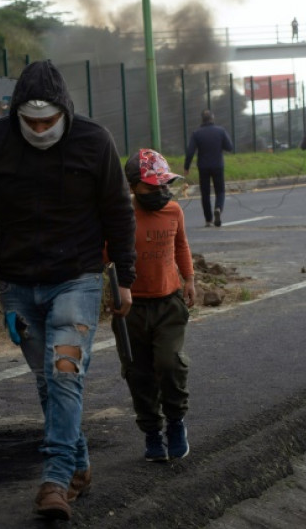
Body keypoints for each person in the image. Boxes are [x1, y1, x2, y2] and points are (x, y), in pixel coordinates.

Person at [0, 60, 136, 521]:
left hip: (77, 276)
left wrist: (127, 279)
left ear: (65, 113)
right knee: (48, 380)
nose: (40, 129)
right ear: (17, 113)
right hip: (17, 284)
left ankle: (55, 481)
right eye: (31, 122)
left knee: (63, 372)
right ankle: (77, 466)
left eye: (48, 121)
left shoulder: (94, 141)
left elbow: (119, 211)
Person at [115, 149, 196, 463]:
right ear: (134, 186)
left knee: (170, 363)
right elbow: (106, 257)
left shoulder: (173, 210)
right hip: (131, 310)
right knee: (138, 373)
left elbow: (181, 245)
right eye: (153, 186)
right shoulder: (121, 216)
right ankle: (152, 431)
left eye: (164, 185)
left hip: (169, 304)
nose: (161, 192)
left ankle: (176, 422)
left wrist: (189, 279)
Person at [183, 109, 234, 227]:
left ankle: (208, 219)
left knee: (205, 193)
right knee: (220, 190)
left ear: (202, 119)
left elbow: (190, 152)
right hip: (218, 165)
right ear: (213, 118)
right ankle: (218, 208)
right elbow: (229, 147)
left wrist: (186, 167)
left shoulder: (196, 133)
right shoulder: (220, 131)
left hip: (203, 166)